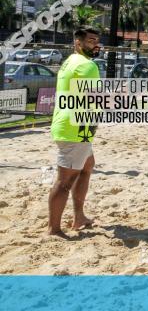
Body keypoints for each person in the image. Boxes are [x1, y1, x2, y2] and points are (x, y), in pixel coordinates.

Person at [48, 26, 102, 238]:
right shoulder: (87, 66)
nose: (95, 44)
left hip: (71, 124)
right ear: (78, 43)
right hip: (76, 128)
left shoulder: (69, 61)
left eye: (96, 40)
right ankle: (53, 230)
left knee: (88, 166)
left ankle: (79, 216)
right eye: (90, 40)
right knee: (64, 182)